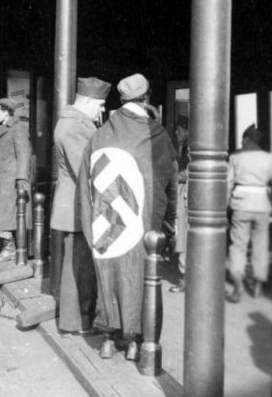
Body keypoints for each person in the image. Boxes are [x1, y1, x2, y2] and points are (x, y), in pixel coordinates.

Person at [80, 73, 177, 360]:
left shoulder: (99, 135)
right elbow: (169, 182)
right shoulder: (155, 134)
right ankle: (134, 341)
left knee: (108, 275)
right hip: (141, 221)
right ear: (146, 98)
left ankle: (108, 339)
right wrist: (167, 222)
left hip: (104, 223)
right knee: (137, 277)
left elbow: (85, 184)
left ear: (120, 100)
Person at [50, 77, 112, 333]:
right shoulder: (77, 127)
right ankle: (80, 322)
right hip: (79, 206)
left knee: (76, 266)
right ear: (86, 101)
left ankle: (74, 320)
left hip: (71, 203)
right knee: (81, 268)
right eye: (100, 105)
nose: (102, 110)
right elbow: (87, 170)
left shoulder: (71, 122)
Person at [226, 124, 272, 303]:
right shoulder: (269, 158)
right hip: (262, 206)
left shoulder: (236, 157)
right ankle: (258, 283)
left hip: (241, 204)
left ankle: (237, 282)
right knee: (260, 245)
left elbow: (228, 183)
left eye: (243, 139)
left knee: (238, 245)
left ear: (247, 139)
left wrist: (224, 206)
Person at [0, 98, 32, 262]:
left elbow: (24, 154)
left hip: (11, 180)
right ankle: (9, 247)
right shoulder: (4, 128)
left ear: (6, 112)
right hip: (3, 179)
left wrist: (21, 178)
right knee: (2, 216)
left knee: (7, 216)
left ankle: (11, 249)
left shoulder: (17, 128)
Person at [170, 115, 190, 293]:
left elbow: (188, 173)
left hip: (187, 196)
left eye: (179, 130)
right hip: (182, 195)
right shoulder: (181, 148)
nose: (176, 133)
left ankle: (185, 279)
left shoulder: (191, 149)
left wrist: (169, 177)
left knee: (183, 235)